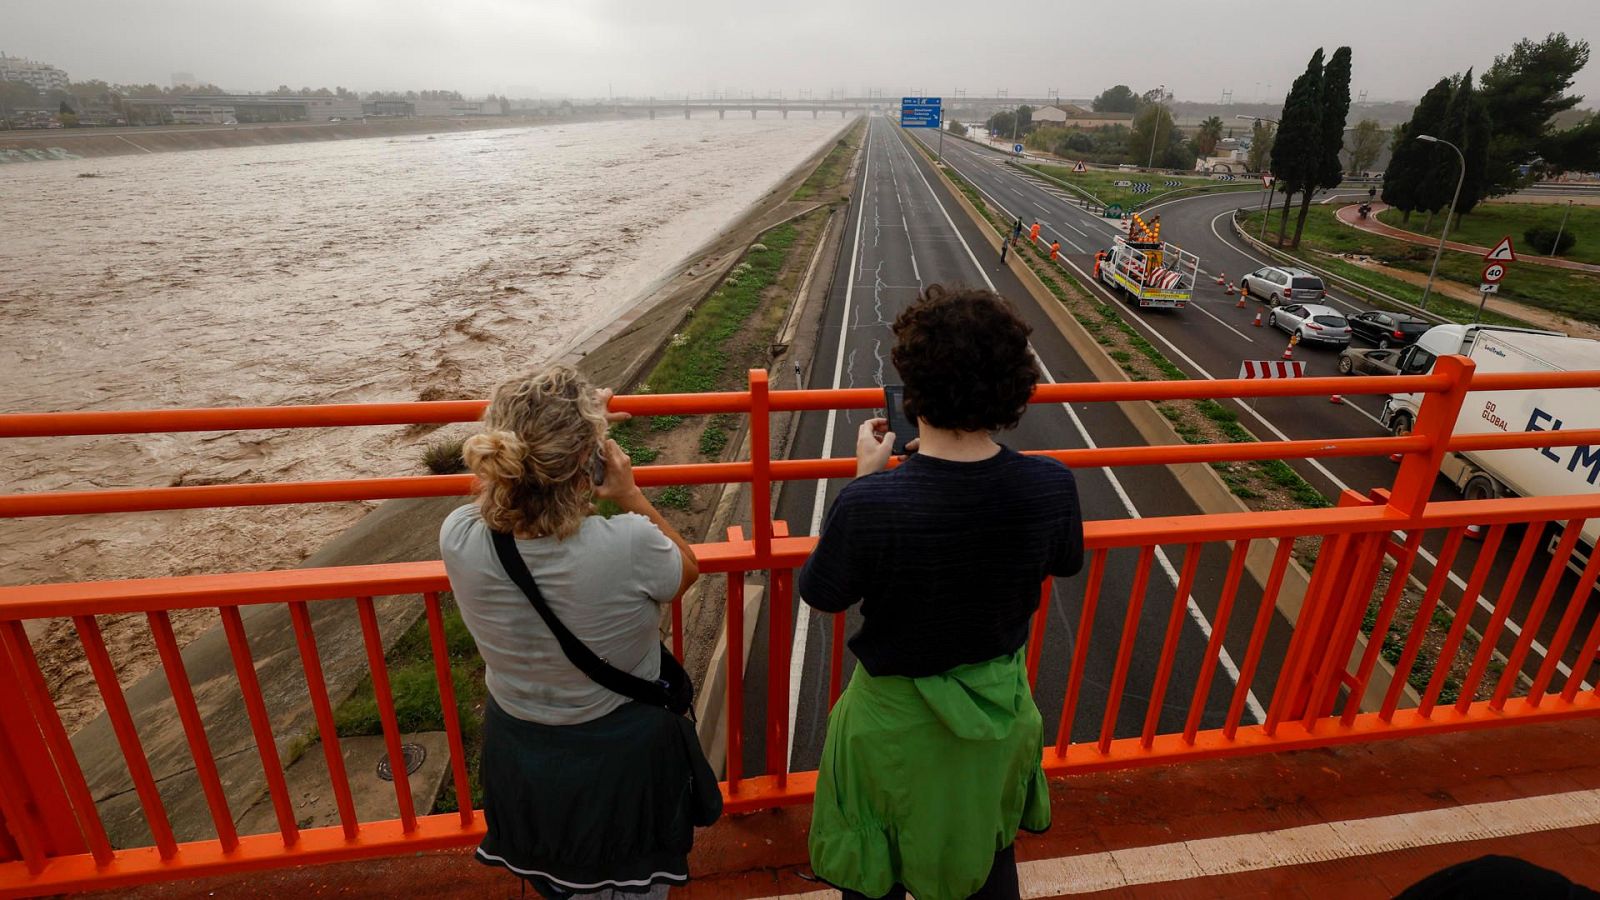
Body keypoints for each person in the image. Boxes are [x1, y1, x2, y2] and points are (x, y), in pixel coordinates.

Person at [800, 285, 1085, 900]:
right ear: (1014, 389)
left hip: (892, 730)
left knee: (876, 870)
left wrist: (862, 481)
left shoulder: (875, 502)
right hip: (997, 716)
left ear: (913, 390)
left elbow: (822, 591)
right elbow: (1065, 561)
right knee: (983, 853)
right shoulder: (1051, 486)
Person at [440, 365, 721, 899]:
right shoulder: (629, 545)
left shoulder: (458, 536)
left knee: (557, 878)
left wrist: (570, 432)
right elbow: (686, 567)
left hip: (522, 750)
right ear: (588, 463)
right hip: (618, 757)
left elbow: (503, 502)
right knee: (635, 886)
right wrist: (630, 493)